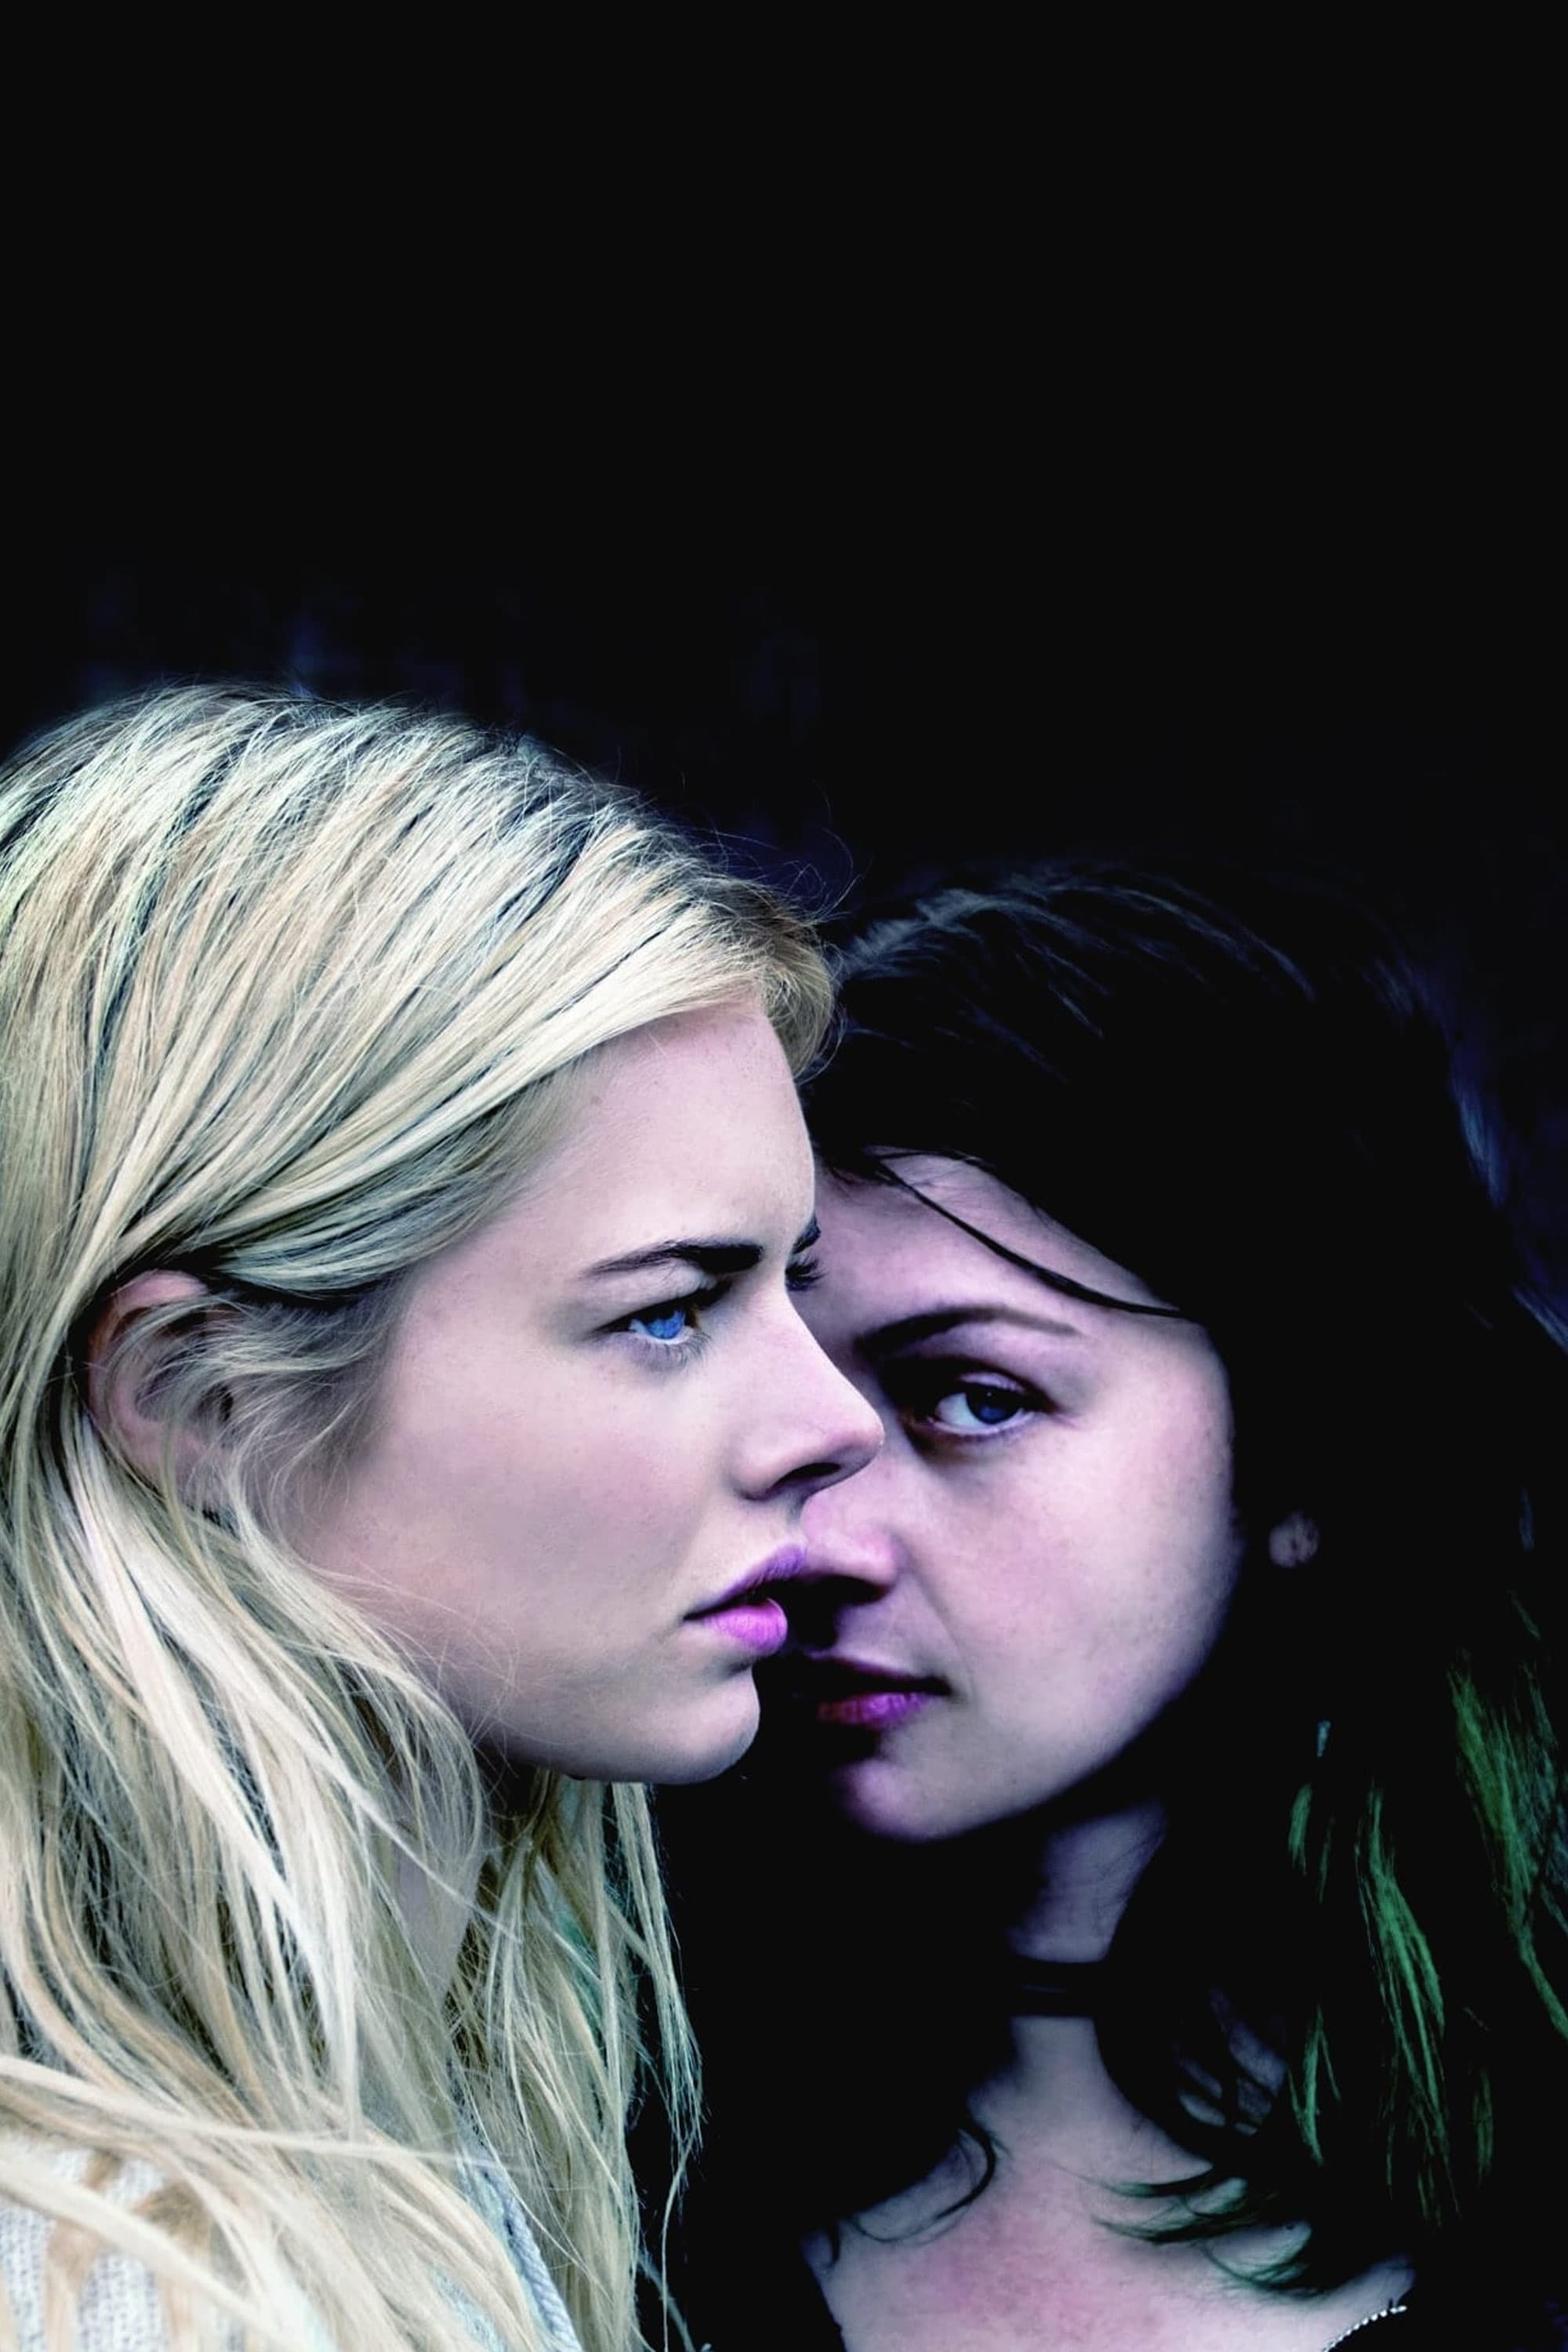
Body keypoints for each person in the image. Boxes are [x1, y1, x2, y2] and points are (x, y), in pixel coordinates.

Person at [0, 686, 882, 2352]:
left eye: (794, 1287)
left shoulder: (397, 2137)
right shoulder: (120, 2291)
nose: (836, 1424)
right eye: (668, 1312)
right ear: (202, 1395)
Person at [658, 861, 1568, 2350]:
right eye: (781, 1403)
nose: (823, 1536)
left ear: (1312, 1458)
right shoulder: (583, 2169)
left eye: (974, 1397)